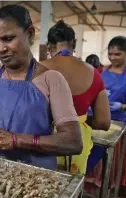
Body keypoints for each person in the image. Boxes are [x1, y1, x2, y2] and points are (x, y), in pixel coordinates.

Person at [0, 5, 82, 171]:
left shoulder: (51, 80)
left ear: (29, 34)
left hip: (32, 180)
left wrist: (17, 140)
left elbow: (73, 141)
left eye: (8, 38)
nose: (1, 49)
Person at [41, 20, 111, 175]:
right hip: (75, 146)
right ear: (74, 43)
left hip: (41, 144)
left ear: (48, 46)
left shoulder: (36, 70)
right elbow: (104, 122)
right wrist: (80, 120)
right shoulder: (94, 74)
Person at [85, 36, 126, 195]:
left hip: (116, 122)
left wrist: (123, 106)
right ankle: (86, 187)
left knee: (107, 160)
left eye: (117, 54)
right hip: (95, 118)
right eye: (110, 54)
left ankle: (104, 190)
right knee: (89, 153)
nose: (113, 58)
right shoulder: (101, 70)